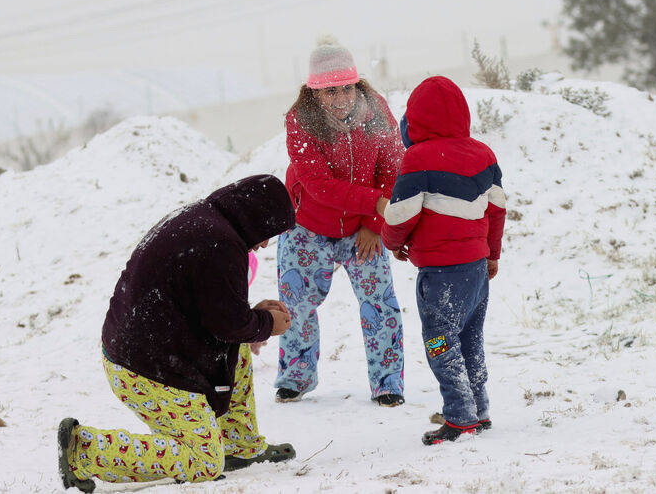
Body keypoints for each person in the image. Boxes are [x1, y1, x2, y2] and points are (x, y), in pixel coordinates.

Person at [57, 174, 298, 491]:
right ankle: (85, 450)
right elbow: (228, 324)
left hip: (150, 351)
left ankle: (238, 445)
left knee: (236, 350)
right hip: (146, 370)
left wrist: (253, 317)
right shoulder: (221, 244)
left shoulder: (206, 221)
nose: (265, 243)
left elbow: (214, 308)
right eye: (267, 232)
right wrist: (266, 324)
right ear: (253, 217)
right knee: (204, 462)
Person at [275, 35, 406, 407]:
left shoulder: (378, 114)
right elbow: (318, 185)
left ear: (357, 83)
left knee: (380, 304)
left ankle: (387, 382)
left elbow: (392, 169)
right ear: (314, 92)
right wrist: (376, 203)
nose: (340, 98)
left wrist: (373, 224)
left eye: (346, 88)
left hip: (362, 230)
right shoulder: (300, 122)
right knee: (297, 303)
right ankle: (295, 377)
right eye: (330, 91)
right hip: (308, 225)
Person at [380, 76, 506, 445]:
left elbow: (400, 214)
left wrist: (393, 243)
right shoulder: (483, 154)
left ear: (416, 120)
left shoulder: (417, 159)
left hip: (440, 274)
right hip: (477, 270)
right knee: (471, 339)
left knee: (439, 341)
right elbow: (497, 210)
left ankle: (458, 417)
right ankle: (479, 409)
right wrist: (492, 254)